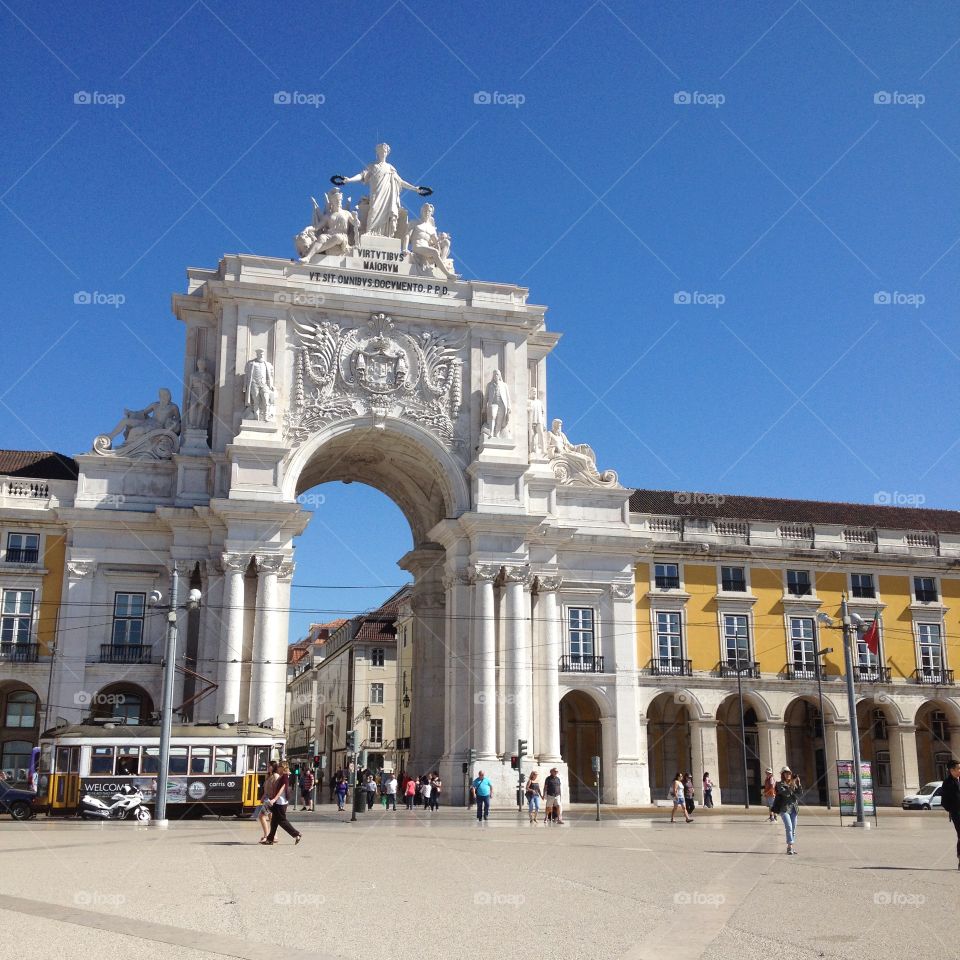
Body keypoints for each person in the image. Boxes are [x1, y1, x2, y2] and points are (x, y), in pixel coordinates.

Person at [338, 142, 428, 238]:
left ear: (387, 153)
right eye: (381, 150)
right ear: (377, 152)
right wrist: (349, 180)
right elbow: (361, 176)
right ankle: (370, 232)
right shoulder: (372, 166)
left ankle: (386, 235)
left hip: (388, 196)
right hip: (376, 194)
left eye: (384, 151)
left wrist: (415, 189)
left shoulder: (390, 168)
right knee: (373, 210)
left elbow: (400, 182)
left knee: (388, 215)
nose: (383, 152)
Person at [264, 761, 302, 846]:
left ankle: (296, 834)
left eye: (279, 766)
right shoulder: (282, 776)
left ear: (283, 767)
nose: (277, 768)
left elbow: (282, 788)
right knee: (274, 821)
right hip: (279, 801)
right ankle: (270, 839)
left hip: (281, 802)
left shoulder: (284, 776)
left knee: (282, 821)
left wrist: (274, 799)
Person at [774, 766, 802, 855]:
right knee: (789, 827)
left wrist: (798, 782)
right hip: (784, 809)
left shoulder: (793, 783)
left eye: (789, 773)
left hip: (794, 809)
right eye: (786, 773)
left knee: (793, 828)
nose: (788, 774)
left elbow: (800, 793)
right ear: (783, 775)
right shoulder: (779, 784)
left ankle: (790, 847)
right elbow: (785, 793)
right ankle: (790, 846)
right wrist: (791, 784)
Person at [939, 759, 960, 870]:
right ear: (952, 770)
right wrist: (952, 810)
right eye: (958, 768)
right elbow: (944, 801)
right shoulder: (947, 783)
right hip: (957, 813)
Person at [256, 761, 278, 843]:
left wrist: (274, 799)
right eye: (268, 766)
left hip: (271, 800)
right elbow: (266, 789)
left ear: (274, 767)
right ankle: (274, 836)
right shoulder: (268, 776)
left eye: (269, 766)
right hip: (267, 799)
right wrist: (262, 797)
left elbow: (278, 789)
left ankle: (267, 836)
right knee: (271, 818)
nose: (268, 767)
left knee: (261, 816)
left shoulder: (276, 776)